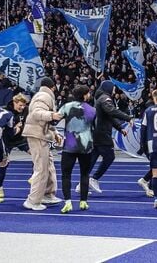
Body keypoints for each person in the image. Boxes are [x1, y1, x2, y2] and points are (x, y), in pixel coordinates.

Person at [22, 77, 64, 211]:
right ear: (53, 87)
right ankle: (33, 201)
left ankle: (47, 194)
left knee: (48, 164)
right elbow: (37, 113)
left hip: (40, 134)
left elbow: (45, 121)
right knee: (41, 168)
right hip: (37, 135)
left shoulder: (43, 95)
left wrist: (55, 133)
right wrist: (52, 115)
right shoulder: (44, 96)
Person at [86, 81, 132, 194]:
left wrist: (120, 128)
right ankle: (94, 178)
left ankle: (83, 182)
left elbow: (109, 117)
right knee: (109, 157)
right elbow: (112, 111)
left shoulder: (100, 98)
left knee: (92, 159)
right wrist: (127, 118)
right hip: (103, 133)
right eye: (113, 88)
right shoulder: (105, 99)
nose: (114, 91)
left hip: (97, 132)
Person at [59, 85, 97, 214]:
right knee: (85, 174)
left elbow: (54, 119)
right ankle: (83, 202)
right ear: (85, 95)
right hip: (86, 146)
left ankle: (68, 202)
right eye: (88, 93)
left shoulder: (67, 106)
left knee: (66, 175)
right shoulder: (92, 110)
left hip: (69, 145)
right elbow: (95, 127)